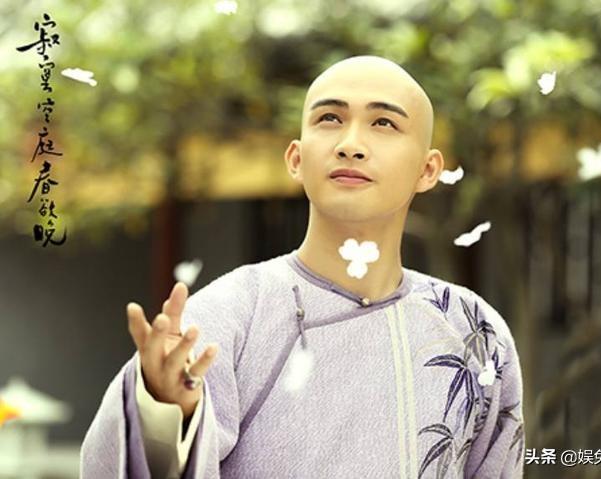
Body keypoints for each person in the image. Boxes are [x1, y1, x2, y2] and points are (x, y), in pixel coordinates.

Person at [80, 55, 525, 478]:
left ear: (428, 170)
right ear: (296, 158)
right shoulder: (228, 316)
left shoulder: (472, 330)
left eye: (383, 123)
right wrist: (161, 412)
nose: (350, 145)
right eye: (330, 118)